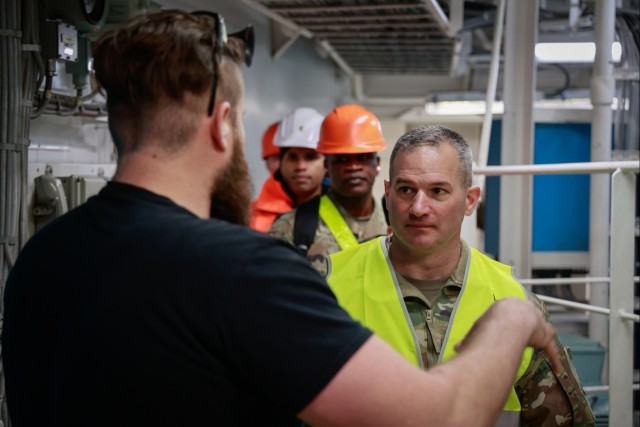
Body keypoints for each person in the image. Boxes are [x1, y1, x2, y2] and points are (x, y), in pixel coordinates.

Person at [2, 10, 563, 427]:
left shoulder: (43, 256)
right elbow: (442, 416)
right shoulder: (243, 272)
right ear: (223, 125)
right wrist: (512, 320)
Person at [325, 125, 596, 427]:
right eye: (405, 190)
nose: (417, 208)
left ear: (470, 200)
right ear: (388, 195)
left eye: (437, 191)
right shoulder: (328, 287)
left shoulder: (512, 299)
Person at [268, 104, 388, 276]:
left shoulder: (400, 226)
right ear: (326, 166)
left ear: (377, 164)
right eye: (343, 159)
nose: (353, 167)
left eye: (363, 158)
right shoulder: (291, 229)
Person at [250, 107, 326, 232]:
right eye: (292, 157)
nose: (301, 166)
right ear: (282, 162)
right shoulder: (248, 217)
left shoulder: (348, 210)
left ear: (327, 163)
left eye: (310, 157)